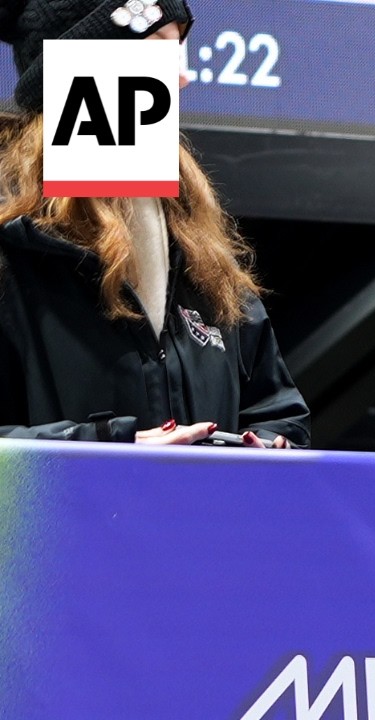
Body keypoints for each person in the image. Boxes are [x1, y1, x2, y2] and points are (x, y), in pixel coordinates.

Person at [0, 0, 310, 448]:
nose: (183, 76)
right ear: (86, 69)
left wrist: (265, 446)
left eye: (179, 49)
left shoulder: (196, 238)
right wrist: (115, 450)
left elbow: (278, 409)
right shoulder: (14, 247)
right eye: (157, 48)